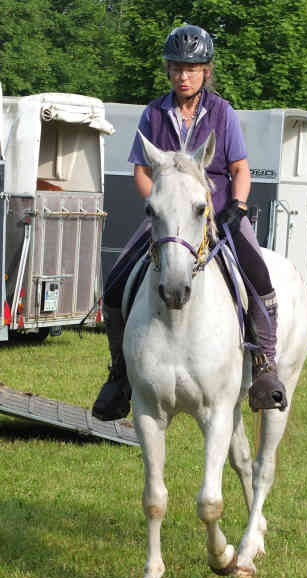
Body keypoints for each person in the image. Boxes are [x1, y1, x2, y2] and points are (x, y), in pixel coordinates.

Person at [92, 24, 287, 422]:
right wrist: (160, 206)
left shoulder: (223, 113)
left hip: (217, 213)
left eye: (192, 69)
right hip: (168, 219)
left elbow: (240, 168)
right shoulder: (153, 113)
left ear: (206, 72)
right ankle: (119, 375)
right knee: (115, 282)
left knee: (259, 277)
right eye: (178, 68)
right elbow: (142, 171)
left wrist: (239, 204)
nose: (184, 75)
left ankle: (265, 368)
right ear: (169, 70)